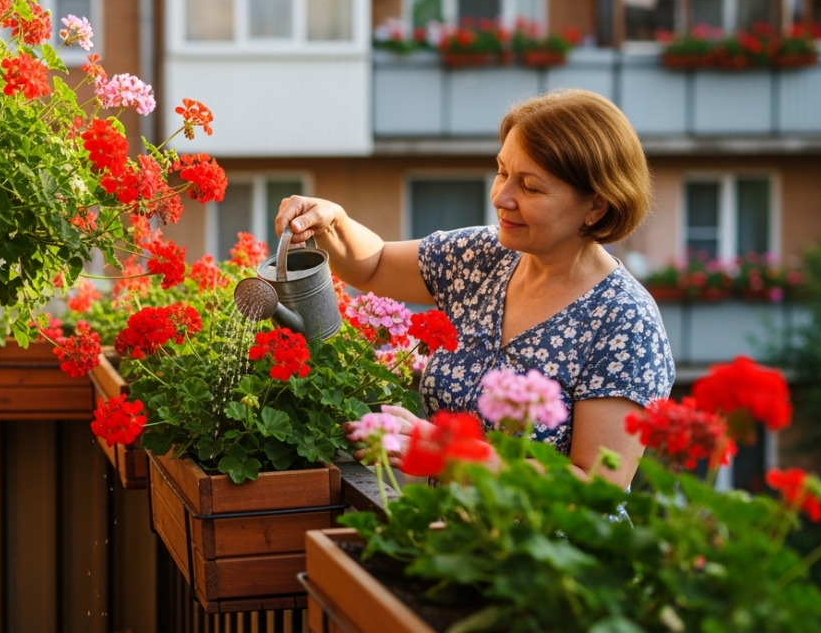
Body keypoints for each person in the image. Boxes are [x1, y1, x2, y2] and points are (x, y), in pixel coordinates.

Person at [274, 89, 674, 487]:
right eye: (502, 171)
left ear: (596, 206)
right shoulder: (485, 254)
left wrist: (454, 456)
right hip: (452, 540)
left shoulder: (625, 321)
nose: (502, 197)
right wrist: (331, 222)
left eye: (530, 187)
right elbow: (375, 264)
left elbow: (596, 486)